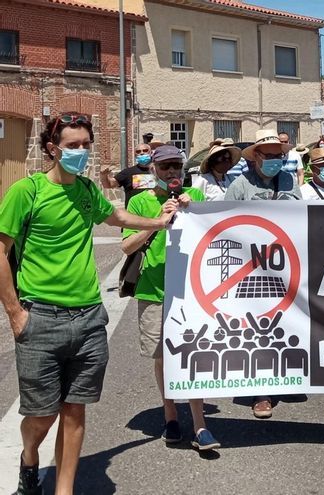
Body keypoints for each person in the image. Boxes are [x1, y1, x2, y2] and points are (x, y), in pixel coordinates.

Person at [0, 113, 178, 495]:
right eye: (73, 146)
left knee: (75, 410)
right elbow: (1, 250)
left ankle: (64, 490)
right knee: (41, 415)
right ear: (52, 149)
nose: (82, 152)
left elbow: (115, 215)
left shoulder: (86, 189)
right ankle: (29, 456)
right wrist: (15, 313)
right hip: (40, 319)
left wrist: (158, 223)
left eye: (86, 145)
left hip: (89, 319)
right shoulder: (26, 192)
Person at [121, 145, 219, 451]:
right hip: (154, 289)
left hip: (191, 291)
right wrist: (157, 223)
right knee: (162, 357)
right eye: (165, 167)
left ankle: (201, 424)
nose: (172, 172)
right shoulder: (139, 202)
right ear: (154, 171)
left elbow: (219, 234)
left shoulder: (197, 197)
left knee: (193, 355)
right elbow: (127, 247)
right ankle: (170, 415)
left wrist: (194, 209)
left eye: (176, 166)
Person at [226, 129, 302, 418]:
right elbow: (223, 219)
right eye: (269, 156)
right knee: (258, 328)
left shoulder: (288, 179)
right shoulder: (240, 185)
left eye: (279, 156)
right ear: (256, 156)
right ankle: (261, 392)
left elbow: (300, 212)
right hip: (251, 267)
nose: (275, 160)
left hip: (284, 263)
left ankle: (285, 376)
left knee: (285, 322)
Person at [99, 142, 155, 207]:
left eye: (145, 150)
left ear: (151, 153)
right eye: (138, 151)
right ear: (135, 155)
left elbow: (166, 186)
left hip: (156, 212)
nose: (142, 153)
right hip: (134, 213)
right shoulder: (128, 172)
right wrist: (103, 175)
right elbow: (109, 185)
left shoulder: (158, 171)